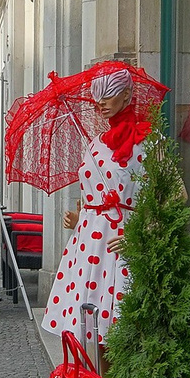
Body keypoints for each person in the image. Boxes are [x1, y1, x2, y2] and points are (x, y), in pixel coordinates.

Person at [42, 64, 154, 349]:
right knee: (94, 333)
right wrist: (79, 216)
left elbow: (175, 197)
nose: (100, 102)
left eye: (108, 94)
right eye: (97, 96)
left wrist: (140, 233)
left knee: (120, 332)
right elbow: (92, 194)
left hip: (121, 243)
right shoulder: (95, 143)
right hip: (89, 246)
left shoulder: (149, 142)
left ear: (127, 94)